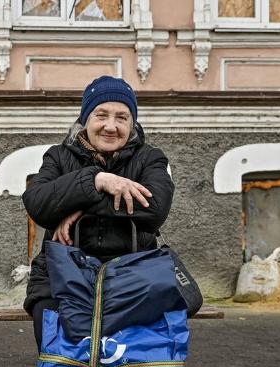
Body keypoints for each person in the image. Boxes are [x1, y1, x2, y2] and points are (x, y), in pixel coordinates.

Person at [22, 75, 175, 352]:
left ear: (132, 123)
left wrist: (78, 205)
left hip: (134, 278)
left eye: (122, 117)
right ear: (86, 119)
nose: (111, 126)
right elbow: (37, 203)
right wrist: (96, 180)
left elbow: (154, 209)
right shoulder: (58, 156)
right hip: (60, 279)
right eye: (101, 115)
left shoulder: (150, 158)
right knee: (63, 358)